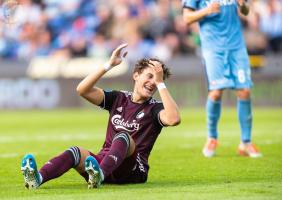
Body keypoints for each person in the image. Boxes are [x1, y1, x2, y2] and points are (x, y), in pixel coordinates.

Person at [20, 43, 181, 189]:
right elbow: (82, 90)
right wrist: (108, 65)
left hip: (132, 171)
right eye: (150, 76)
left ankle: (99, 176)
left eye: (157, 79)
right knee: (75, 152)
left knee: (123, 136)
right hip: (104, 162)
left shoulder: (155, 108)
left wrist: (161, 83)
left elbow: (174, 119)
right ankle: (37, 178)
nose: (153, 82)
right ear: (136, 75)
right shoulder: (119, 98)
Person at [182, 0, 262, 158]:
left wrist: (243, 5)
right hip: (214, 49)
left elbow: (245, 12)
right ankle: (212, 138)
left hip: (237, 48)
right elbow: (187, 18)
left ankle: (246, 142)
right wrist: (206, 11)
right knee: (216, 92)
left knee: (245, 91)